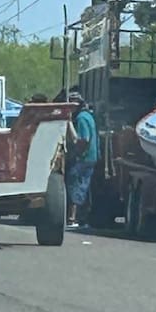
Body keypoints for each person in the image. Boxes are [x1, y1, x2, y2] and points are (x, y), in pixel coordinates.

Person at [65, 91, 98, 229]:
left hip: (83, 158)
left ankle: (73, 218)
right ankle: (82, 217)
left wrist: (76, 154)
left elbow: (83, 139)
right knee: (83, 185)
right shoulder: (88, 116)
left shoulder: (82, 119)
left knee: (75, 185)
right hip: (90, 158)